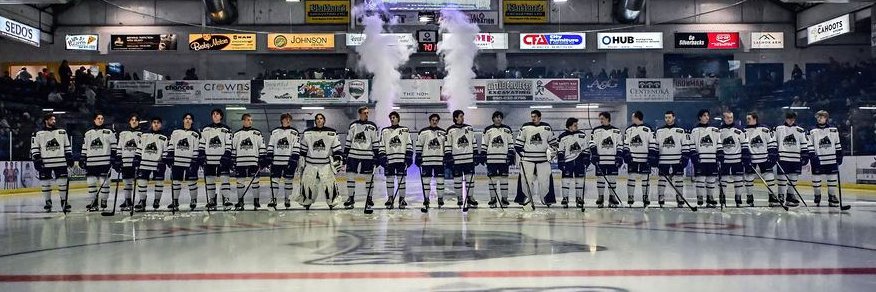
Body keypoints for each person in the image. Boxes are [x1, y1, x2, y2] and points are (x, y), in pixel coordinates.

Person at [514, 110, 558, 210]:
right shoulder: (525, 127)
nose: (533, 118)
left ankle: (547, 199)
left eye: (535, 116)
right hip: (527, 160)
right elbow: (518, 145)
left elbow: (554, 144)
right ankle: (524, 198)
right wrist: (522, 153)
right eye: (532, 116)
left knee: (545, 180)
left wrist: (552, 152)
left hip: (543, 160)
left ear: (539, 117)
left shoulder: (547, 127)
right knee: (525, 180)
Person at [298, 113, 343, 209]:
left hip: (325, 164)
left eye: (321, 118)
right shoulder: (307, 133)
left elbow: (337, 149)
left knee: (329, 184)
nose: (319, 120)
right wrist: (301, 162)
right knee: (308, 184)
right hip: (310, 164)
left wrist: (338, 157)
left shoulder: (332, 132)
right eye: (317, 119)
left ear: (324, 120)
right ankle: (307, 201)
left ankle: (332, 202)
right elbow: (303, 150)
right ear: (315, 121)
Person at [31, 114, 74, 212]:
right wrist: (37, 159)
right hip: (45, 162)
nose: (54, 121)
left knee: (62, 183)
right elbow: (34, 148)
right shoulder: (38, 133)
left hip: (61, 161)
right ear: (46, 121)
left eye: (54, 119)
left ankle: (64, 201)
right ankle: (48, 201)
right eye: (51, 119)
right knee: (45, 183)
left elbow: (67, 146)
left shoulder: (62, 132)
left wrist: (69, 157)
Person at [342, 106, 380, 210]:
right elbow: (348, 141)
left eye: (368, 113)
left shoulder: (372, 126)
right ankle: (351, 198)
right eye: (365, 113)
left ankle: (369, 198)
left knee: (368, 178)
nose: (367, 114)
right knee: (350, 176)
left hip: (367, 156)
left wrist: (377, 156)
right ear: (360, 113)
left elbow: (375, 142)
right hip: (353, 155)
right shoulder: (353, 125)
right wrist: (345, 155)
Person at [80, 113, 118, 211]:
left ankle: (104, 200)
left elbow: (114, 147)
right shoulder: (88, 133)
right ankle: (94, 202)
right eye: (98, 118)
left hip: (104, 163)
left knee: (104, 183)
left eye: (102, 118)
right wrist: (82, 158)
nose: (100, 120)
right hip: (91, 163)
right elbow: (85, 147)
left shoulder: (109, 132)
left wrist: (114, 158)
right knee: (91, 182)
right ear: (94, 120)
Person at [198, 109, 233, 211]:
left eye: (217, 114)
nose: (215, 115)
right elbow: (202, 143)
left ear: (221, 116)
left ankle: (226, 198)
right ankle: (212, 199)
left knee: (225, 179)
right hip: (209, 160)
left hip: (222, 160)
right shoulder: (206, 129)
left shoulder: (226, 129)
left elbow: (229, 143)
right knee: (209, 180)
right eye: (213, 114)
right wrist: (201, 155)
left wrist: (227, 154)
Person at [655, 111, 691, 208]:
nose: (667, 119)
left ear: (674, 118)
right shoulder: (659, 131)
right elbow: (656, 146)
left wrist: (685, 158)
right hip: (663, 160)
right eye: (666, 117)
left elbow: (685, 145)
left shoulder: (680, 130)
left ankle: (680, 199)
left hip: (677, 160)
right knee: (662, 180)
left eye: (669, 117)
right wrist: (654, 157)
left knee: (679, 180)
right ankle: (661, 198)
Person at [231, 114, 268, 210]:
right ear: (243, 121)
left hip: (253, 161)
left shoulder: (257, 133)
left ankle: (256, 201)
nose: (250, 121)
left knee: (255, 182)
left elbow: (262, 146)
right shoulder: (237, 134)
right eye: (248, 120)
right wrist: (233, 160)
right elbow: (233, 149)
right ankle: (240, 201)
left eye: (251, 120)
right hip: (240, 162)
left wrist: (262, 158)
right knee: (240, 182)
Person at [378, 111, 413, 209]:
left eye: (394, 117)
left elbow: (409, 144)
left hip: (401, 160)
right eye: (391, 118)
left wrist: (409, 157)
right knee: (389, 179)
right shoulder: (385, 131)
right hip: (389, 160)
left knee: (401, 180)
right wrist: (382, 157)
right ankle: (390, 198)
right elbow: (382, 145)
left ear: (398, 118)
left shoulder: (405, 130)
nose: (392, 119)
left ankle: (402, 199)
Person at [743, 112, 779, 207]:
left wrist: (772, 155)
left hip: (764, 158)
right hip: (751, 159)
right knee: (749, 178)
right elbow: (743, 145)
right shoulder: (744, 130)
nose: (747, 120)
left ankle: (772, 196)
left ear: (755, 119)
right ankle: (749, 197)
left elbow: (771, 143)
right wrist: (746, 156)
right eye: (747, 118)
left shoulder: (764, 129)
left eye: (749, 118)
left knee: (770, 177)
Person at [480, 111, 515, 208]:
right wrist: (483, 153)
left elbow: (510, 143)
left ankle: (504, 198)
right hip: (491, 159)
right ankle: (493, 199)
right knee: (492, 180)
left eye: (500, 117)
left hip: (504, 159)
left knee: (504, 179)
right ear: (493, 118)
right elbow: (485, 143)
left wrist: (511, 153)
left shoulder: (507, 129)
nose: (499, 119)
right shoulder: (488, 129)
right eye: (497, 117)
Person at [167, 113, 201, 212]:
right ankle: (175, 201)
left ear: (192, 121)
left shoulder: (196, 134)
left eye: (190, 119)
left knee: (192, 182)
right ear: (183, 120)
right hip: (177, 161)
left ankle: (193, 200)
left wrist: (195, 160)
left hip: (190, 161)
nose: (188, 120)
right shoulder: (176, 132)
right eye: (186, 118)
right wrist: (170, 156)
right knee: (176, 182)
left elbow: (196, 148)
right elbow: (171, 145)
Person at [808, 110, 843, 207]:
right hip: (817, 159)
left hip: (831, 159)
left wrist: (839, 154)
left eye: (822, 116)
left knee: (832, 179)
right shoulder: (812, 130)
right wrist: (812, 156)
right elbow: (809, 144)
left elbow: (837, 143)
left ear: (826, 118)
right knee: (816, 180)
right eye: (818, 116)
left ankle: (832, 196)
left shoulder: (833, 129)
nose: (819, 118)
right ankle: (817, 195)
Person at [622, 111, 657, 207]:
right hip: (632, 158)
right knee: (631, 177)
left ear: (637, 117)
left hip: (645, 159)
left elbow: (652, 143)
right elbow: (626, 143)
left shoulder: (648, 129)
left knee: (645, 179)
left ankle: (645, 197)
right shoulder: (629, 129)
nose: (631, 119)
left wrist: (651, 155)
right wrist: (626, 154)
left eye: (632, 117)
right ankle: (630, 196)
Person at [774, 112, 809, 207]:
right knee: (782, 178)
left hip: (796, 158)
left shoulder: (800, 130)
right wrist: (774, 153)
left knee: (793, 178)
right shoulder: (779, 129)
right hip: (783, 157)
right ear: (785, 119)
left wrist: (805, 155)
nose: (791, 120)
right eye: (789, 118)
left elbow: (804, 144)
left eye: (792, 119)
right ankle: (781, 195)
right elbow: (774, 142)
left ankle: (790, 195)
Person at [134, 117, 169, 212]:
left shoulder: (164, 137)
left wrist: (165, 160)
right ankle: (142, 201)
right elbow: (139, 148)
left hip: (158, 163)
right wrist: (137, 158)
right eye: (154, 122)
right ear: (151, 124)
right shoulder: (144, 135)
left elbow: (165, 151)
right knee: (141, 181)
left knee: (159, 183)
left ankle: (157, 200)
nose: (156, 124)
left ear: (160, 124)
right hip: (144, 162)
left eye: (158, 122)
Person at [266, 113, 301, 209]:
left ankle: (287, 198)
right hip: (276, 161)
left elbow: (296, 147)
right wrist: (269, 156)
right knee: (274, 181)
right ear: (282, 120)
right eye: (286, 119)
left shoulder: (294, 132)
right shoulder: (275, 132)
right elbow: (271, 145)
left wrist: (294, 159)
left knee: (288, 181)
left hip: (288, 161)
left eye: (289, 119)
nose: (288, 120)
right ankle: (273, 199)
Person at [445, 110, 478, 209]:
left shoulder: (469, 128)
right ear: (455, 118)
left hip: (468, 159)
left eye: (463, 116)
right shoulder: (450, 130)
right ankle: (459, 198)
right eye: (460, 116)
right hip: (457, 160)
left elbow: (473, 141)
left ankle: (470, 197)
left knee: (470, 180)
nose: (462, 118)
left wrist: (475, 154)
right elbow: (448, 144)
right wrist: (448, 156)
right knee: (458, 180)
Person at [590, 112, 623, 208]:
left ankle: (612, 197)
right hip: (601, 160)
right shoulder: (596, 130)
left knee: (612, 179)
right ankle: (600, 197)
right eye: (600, 119)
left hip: (612, 160)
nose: (601, 120)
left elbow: (619, 145)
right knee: (600, 179)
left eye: (602, 118)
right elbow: (592, 143)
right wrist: (594, 154)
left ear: (608, 119)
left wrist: (619, 156)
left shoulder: (616, 131)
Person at [690, 109, 722, 208]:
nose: (707, 117)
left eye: (708, 115)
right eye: (704, 115)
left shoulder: (715, 130)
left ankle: (710, 197)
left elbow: (719, 143)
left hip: (712, 159)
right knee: (700, 179)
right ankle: (700, 197)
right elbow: (692, 145)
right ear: (700, 117)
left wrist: (720, 155)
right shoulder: (695, 130)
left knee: (711, 179)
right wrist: (695, 157)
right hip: (701, 159)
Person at [718, 111, 751, 207]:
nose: (730, 119)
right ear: (724, 118)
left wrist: (745, 157)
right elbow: (718, 145)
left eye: (731, 117)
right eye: (727, 117)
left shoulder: (740, 129)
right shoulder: (718, 130)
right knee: (723, 179)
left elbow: (745, 144)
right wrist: (719, 156)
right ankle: (722, 196)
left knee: (738, 179)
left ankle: (738, 197)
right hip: (725, 160)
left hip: (737, 159)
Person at [415, 114, 448, 209]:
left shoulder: (443, 132)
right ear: (430, 121)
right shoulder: (423, 132)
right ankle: (426, 199)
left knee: (440, 181)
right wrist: (418, 156)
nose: (434, 121)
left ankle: (440, 199)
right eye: (433, 120)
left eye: (436, 120)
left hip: (439, 161)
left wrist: (446, 156)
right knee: (426, 181)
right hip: (426, 161)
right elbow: (419, 144)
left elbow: (446, 146)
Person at [557, 118, 589, 208]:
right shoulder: (562, 136)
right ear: (569, 126)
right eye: (575, 125)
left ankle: (579, 198)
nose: (577, 126)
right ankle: (565, 198)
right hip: (568, 162)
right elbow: (560, 150)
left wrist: (586, 158)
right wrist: (561, 161)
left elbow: (586, 148)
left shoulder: (582, 135)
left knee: (579, 180)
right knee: (565, 180)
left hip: (579, 161)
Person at [117, 114, 142, 211]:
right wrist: (118, 158)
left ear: (138, 122)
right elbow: (120, 146)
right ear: (129, 121)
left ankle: (141, 201)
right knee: (127, 182)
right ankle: (128, 200)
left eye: (136, 120)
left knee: (140, 182)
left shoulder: (142, 134)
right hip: (125, 161)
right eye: (132, 120)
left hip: (136, 162)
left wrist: (139, 159)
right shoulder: (123, 134)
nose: (134, 121)